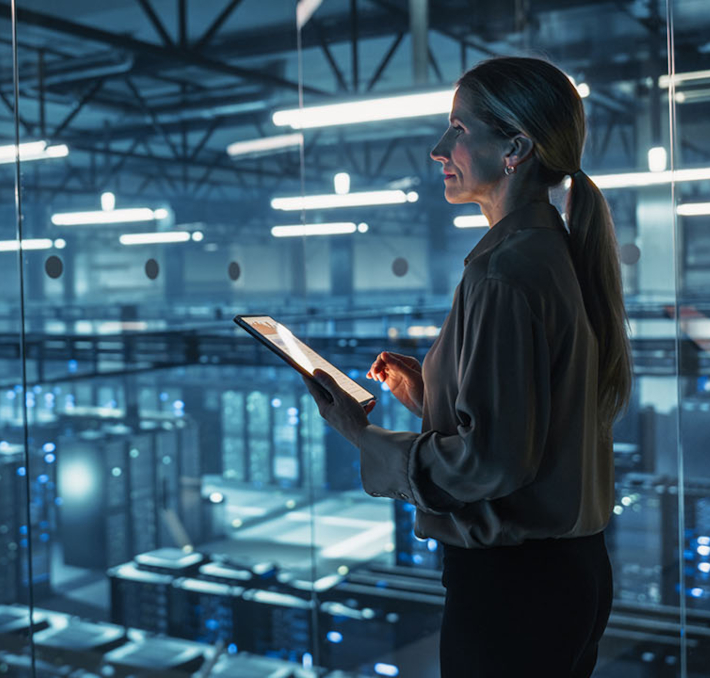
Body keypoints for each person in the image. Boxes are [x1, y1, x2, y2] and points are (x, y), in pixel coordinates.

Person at [303, 56, 632, 678]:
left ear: (515, 147)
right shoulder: (548, 252)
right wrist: (426, 391)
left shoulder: (504, 270)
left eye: (458, 129)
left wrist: (361, 432)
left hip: (515, 591)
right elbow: (533, 418)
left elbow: (495, 462)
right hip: (566, 577)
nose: (438, 148)